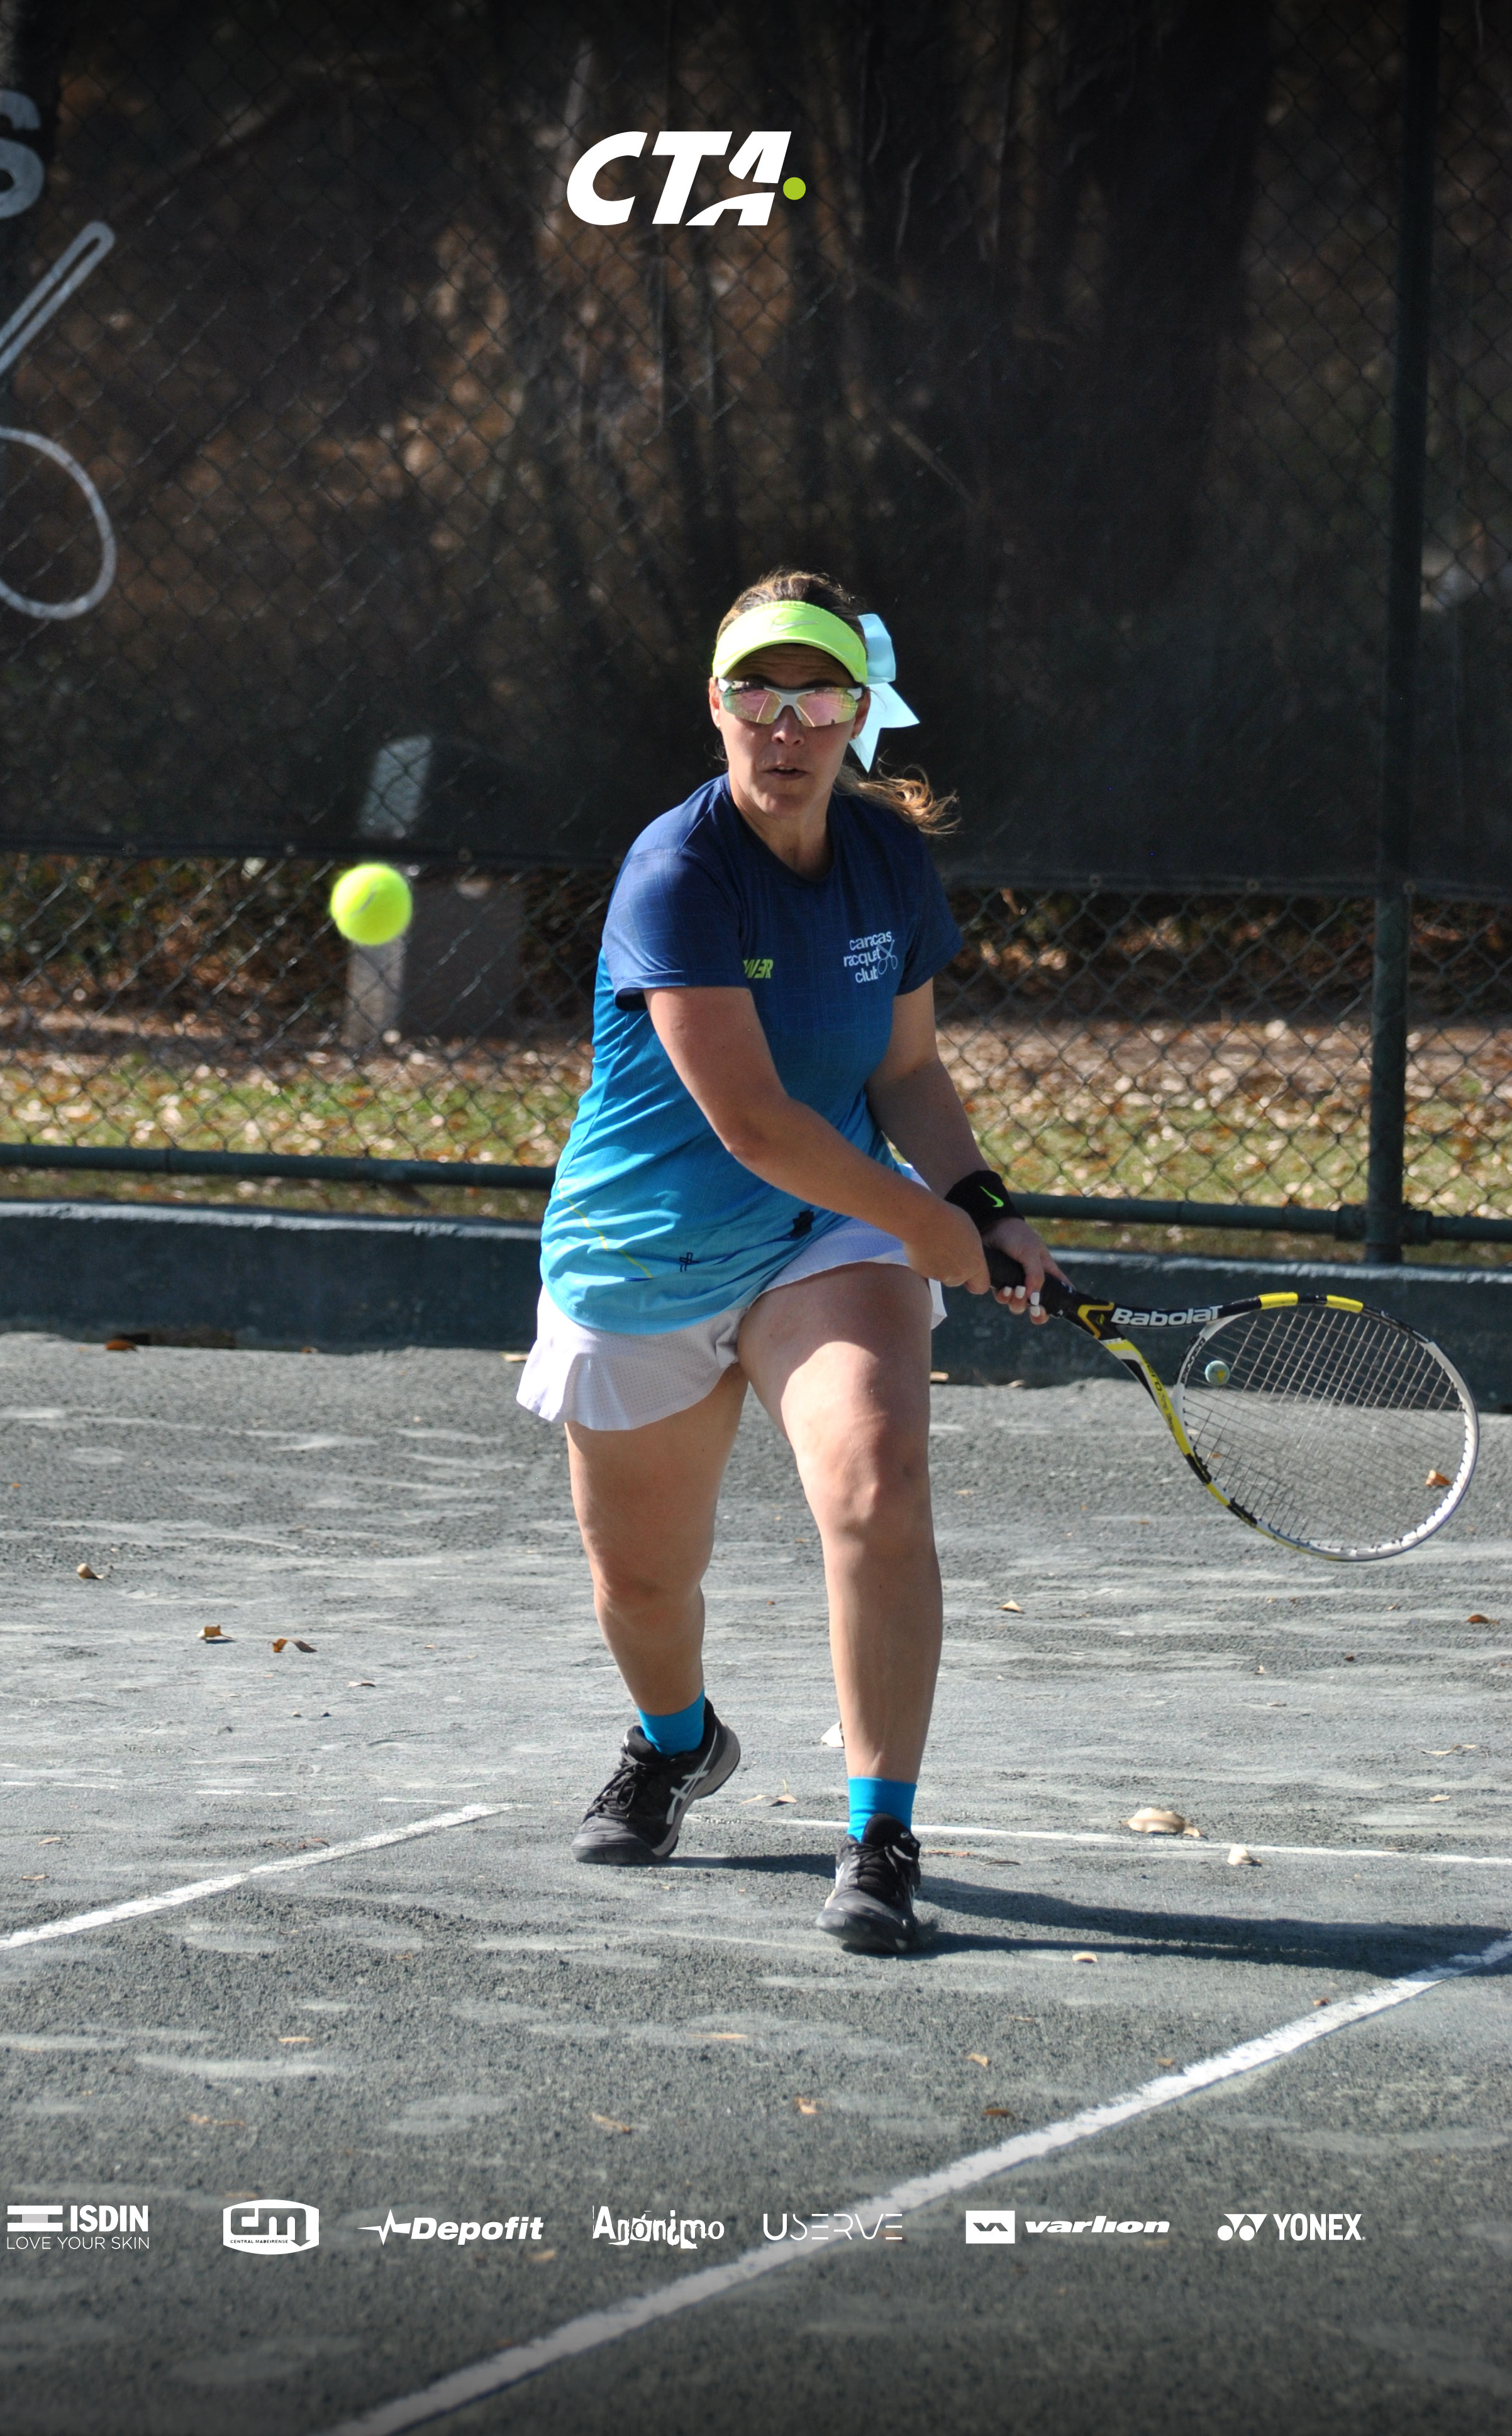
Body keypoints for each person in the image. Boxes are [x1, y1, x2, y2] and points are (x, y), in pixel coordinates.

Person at [518, 569, 1066, 1953]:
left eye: (817, 695)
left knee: (880, 1485)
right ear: (715, 707)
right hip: (645, 1252)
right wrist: (931, 1228)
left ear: (857, 713)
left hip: (824, 1231)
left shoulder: (887, 860)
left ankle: (880, 1835)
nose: (785, 723)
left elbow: (908, 1070)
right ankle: (675, 1741)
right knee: (646, 1587)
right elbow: (753, 1123)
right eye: (756, 693)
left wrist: (979, 1204)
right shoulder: (678, 874)